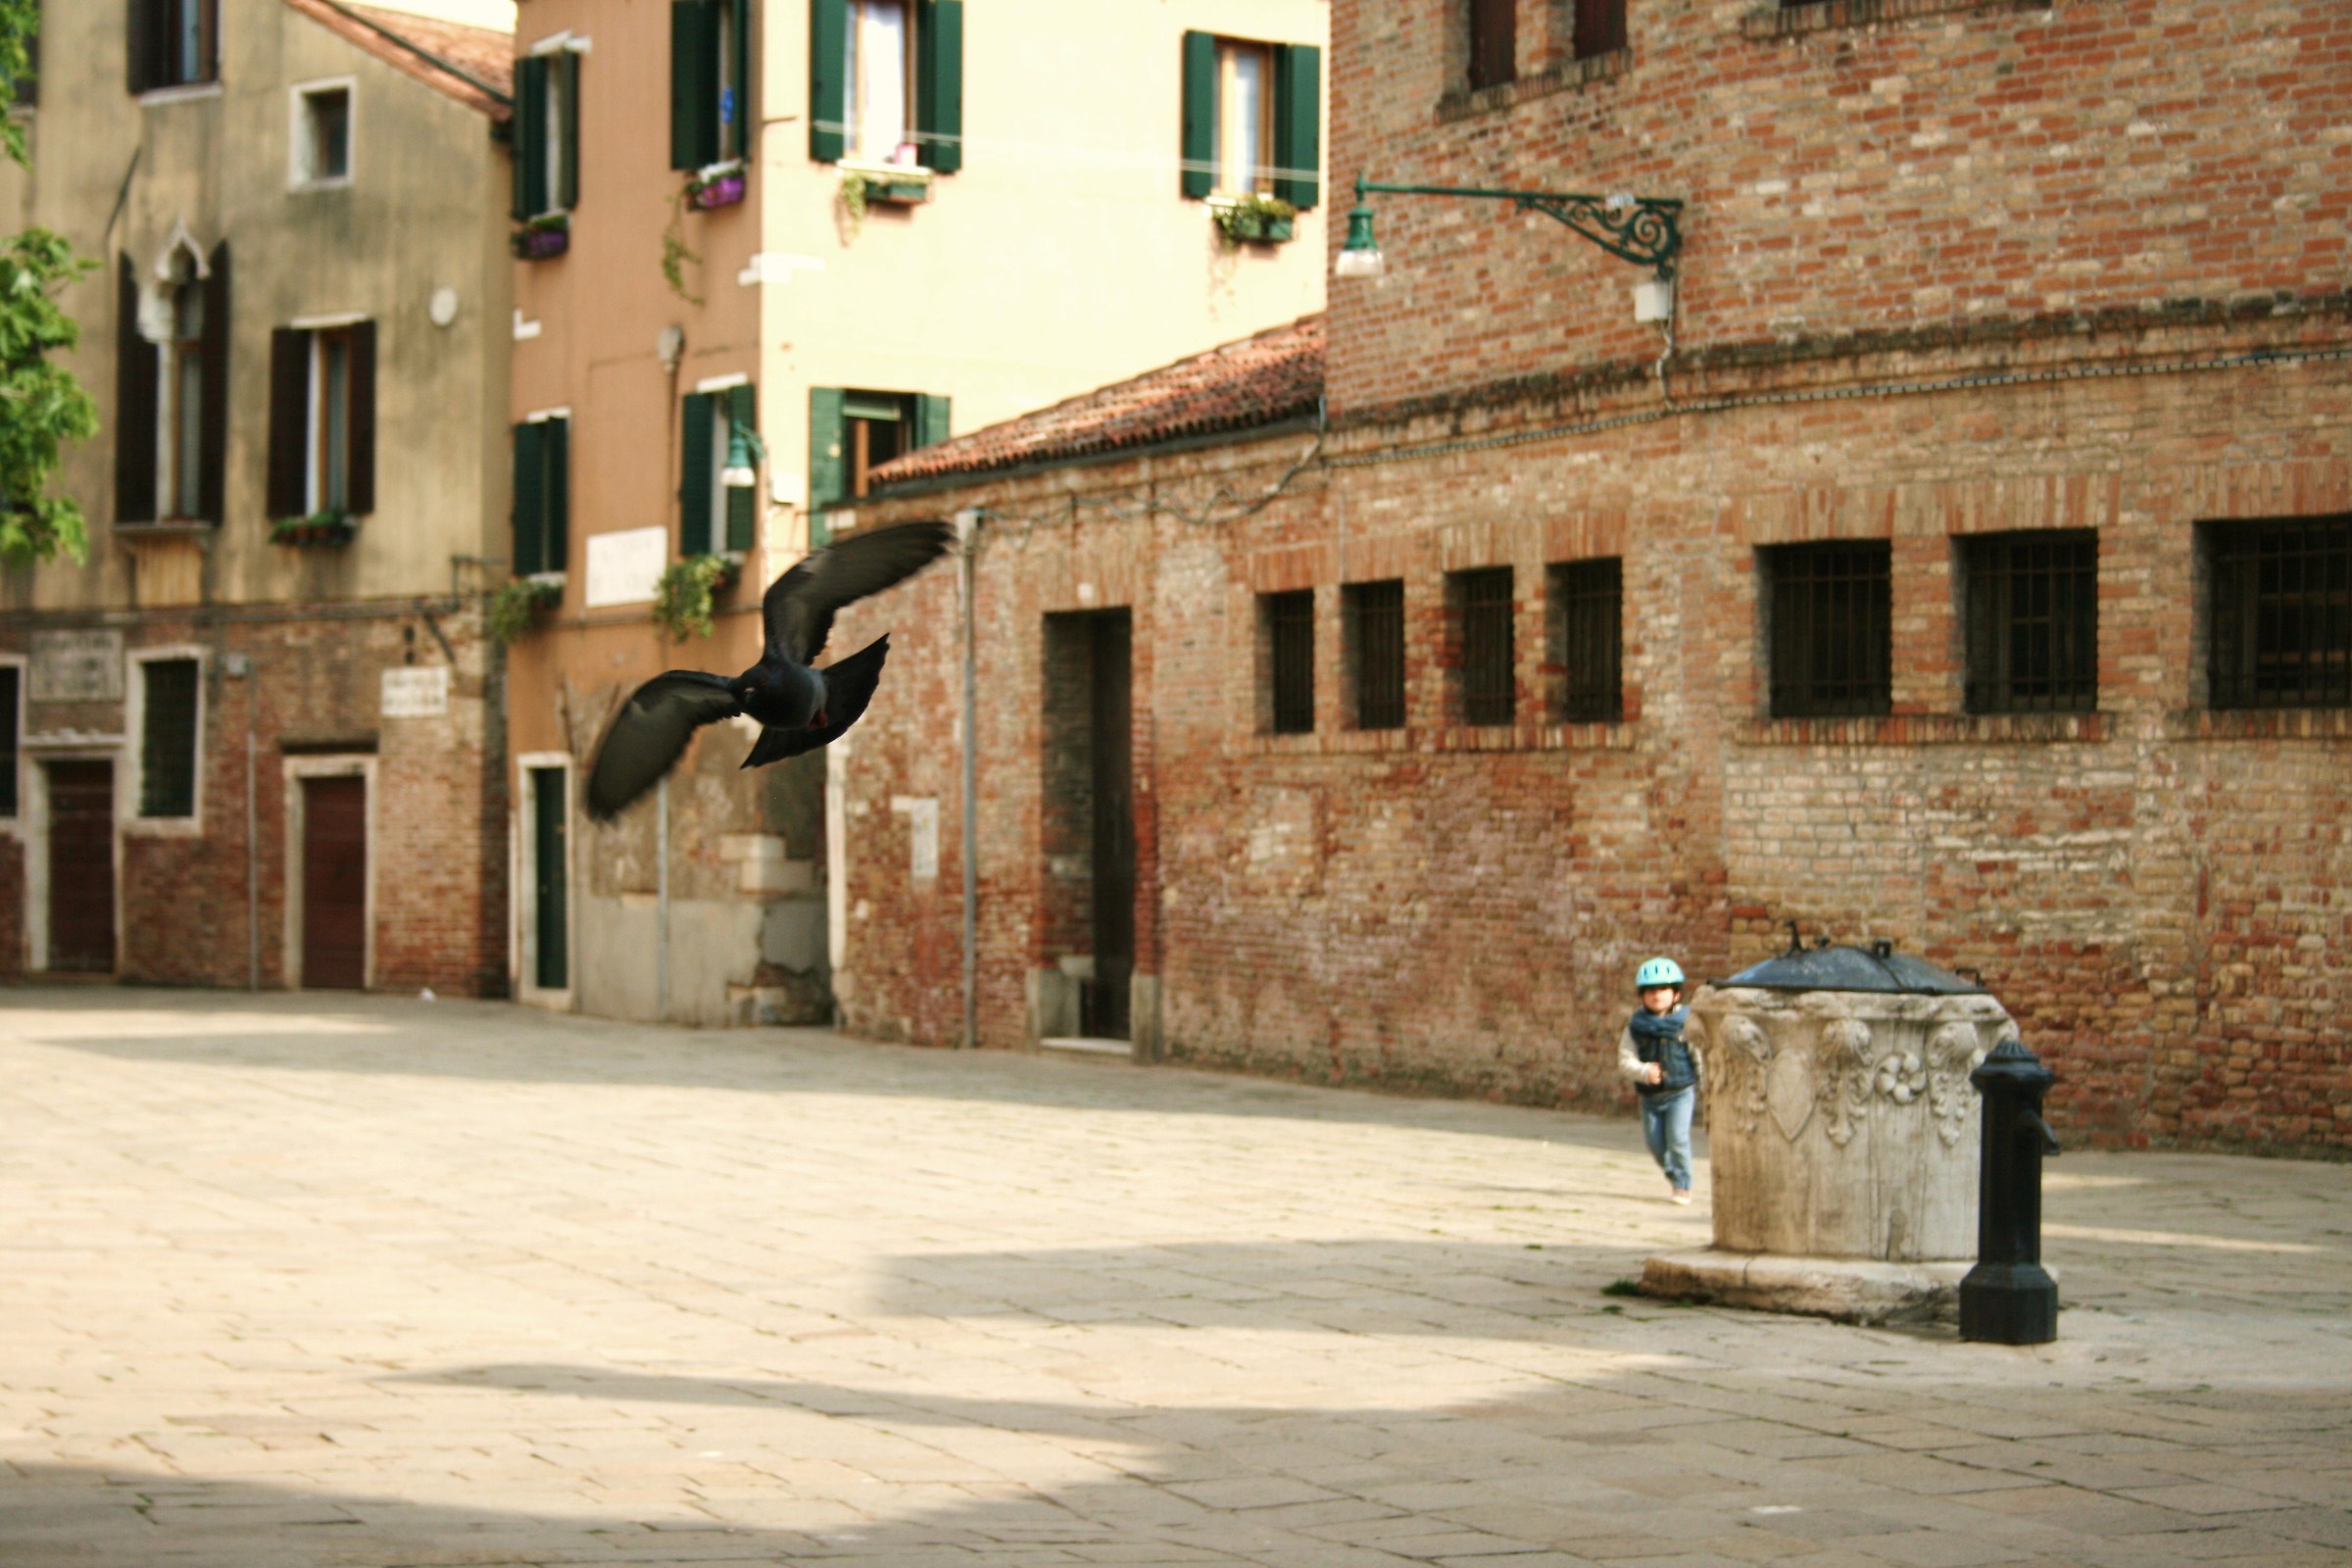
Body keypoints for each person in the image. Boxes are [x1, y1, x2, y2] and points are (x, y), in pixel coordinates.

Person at [1618, 956, 1702, 1204]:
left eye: (1663, 989)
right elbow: (1624, 1059)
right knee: (1656, 1144)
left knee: (1677, 1139)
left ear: (1676, 994)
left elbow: (1698, 1055)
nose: (1657, 996)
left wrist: (1706, 1083)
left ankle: (1683, 1185)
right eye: (1651, 991)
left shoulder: (1686, 1024)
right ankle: (1673, 1173)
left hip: (1680, 1091)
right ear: (1642, 995)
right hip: (1650, 1097)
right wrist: (1643, 1071)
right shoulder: (1636, 1026)